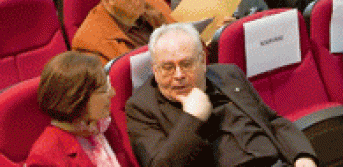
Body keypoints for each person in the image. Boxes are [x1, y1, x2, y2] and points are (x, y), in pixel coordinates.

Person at [126, 24, 318, 167]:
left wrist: (302, 155)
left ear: (202, 61)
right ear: (155, 70)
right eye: (168, 67)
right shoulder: (141, 108)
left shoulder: (228, 74)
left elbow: (271, 121)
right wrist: (192, 119)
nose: (178, 75)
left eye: (186, 64)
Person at [26, 51, 125, 167]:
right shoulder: (45, 156)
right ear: (77, 99)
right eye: (103, 91)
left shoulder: (101, 125)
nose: (112, 93)